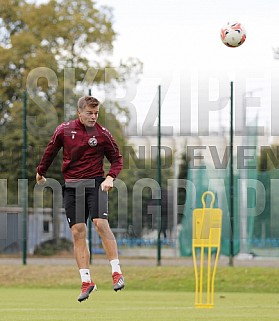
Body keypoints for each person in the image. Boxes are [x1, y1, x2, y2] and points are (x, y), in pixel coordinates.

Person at [36, 96, 125, 302]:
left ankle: (117, 272)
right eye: (90, 113)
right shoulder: (64, 130)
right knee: (78, 232)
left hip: (95, 184)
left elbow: (117, 159)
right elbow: (51, 151)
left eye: (96, 113)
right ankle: (87, 281)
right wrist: (41, 171)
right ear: (80, 113)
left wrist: (110, 177)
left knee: (100, 223)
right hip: (72, 186)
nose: (94, 117)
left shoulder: (103, 134)